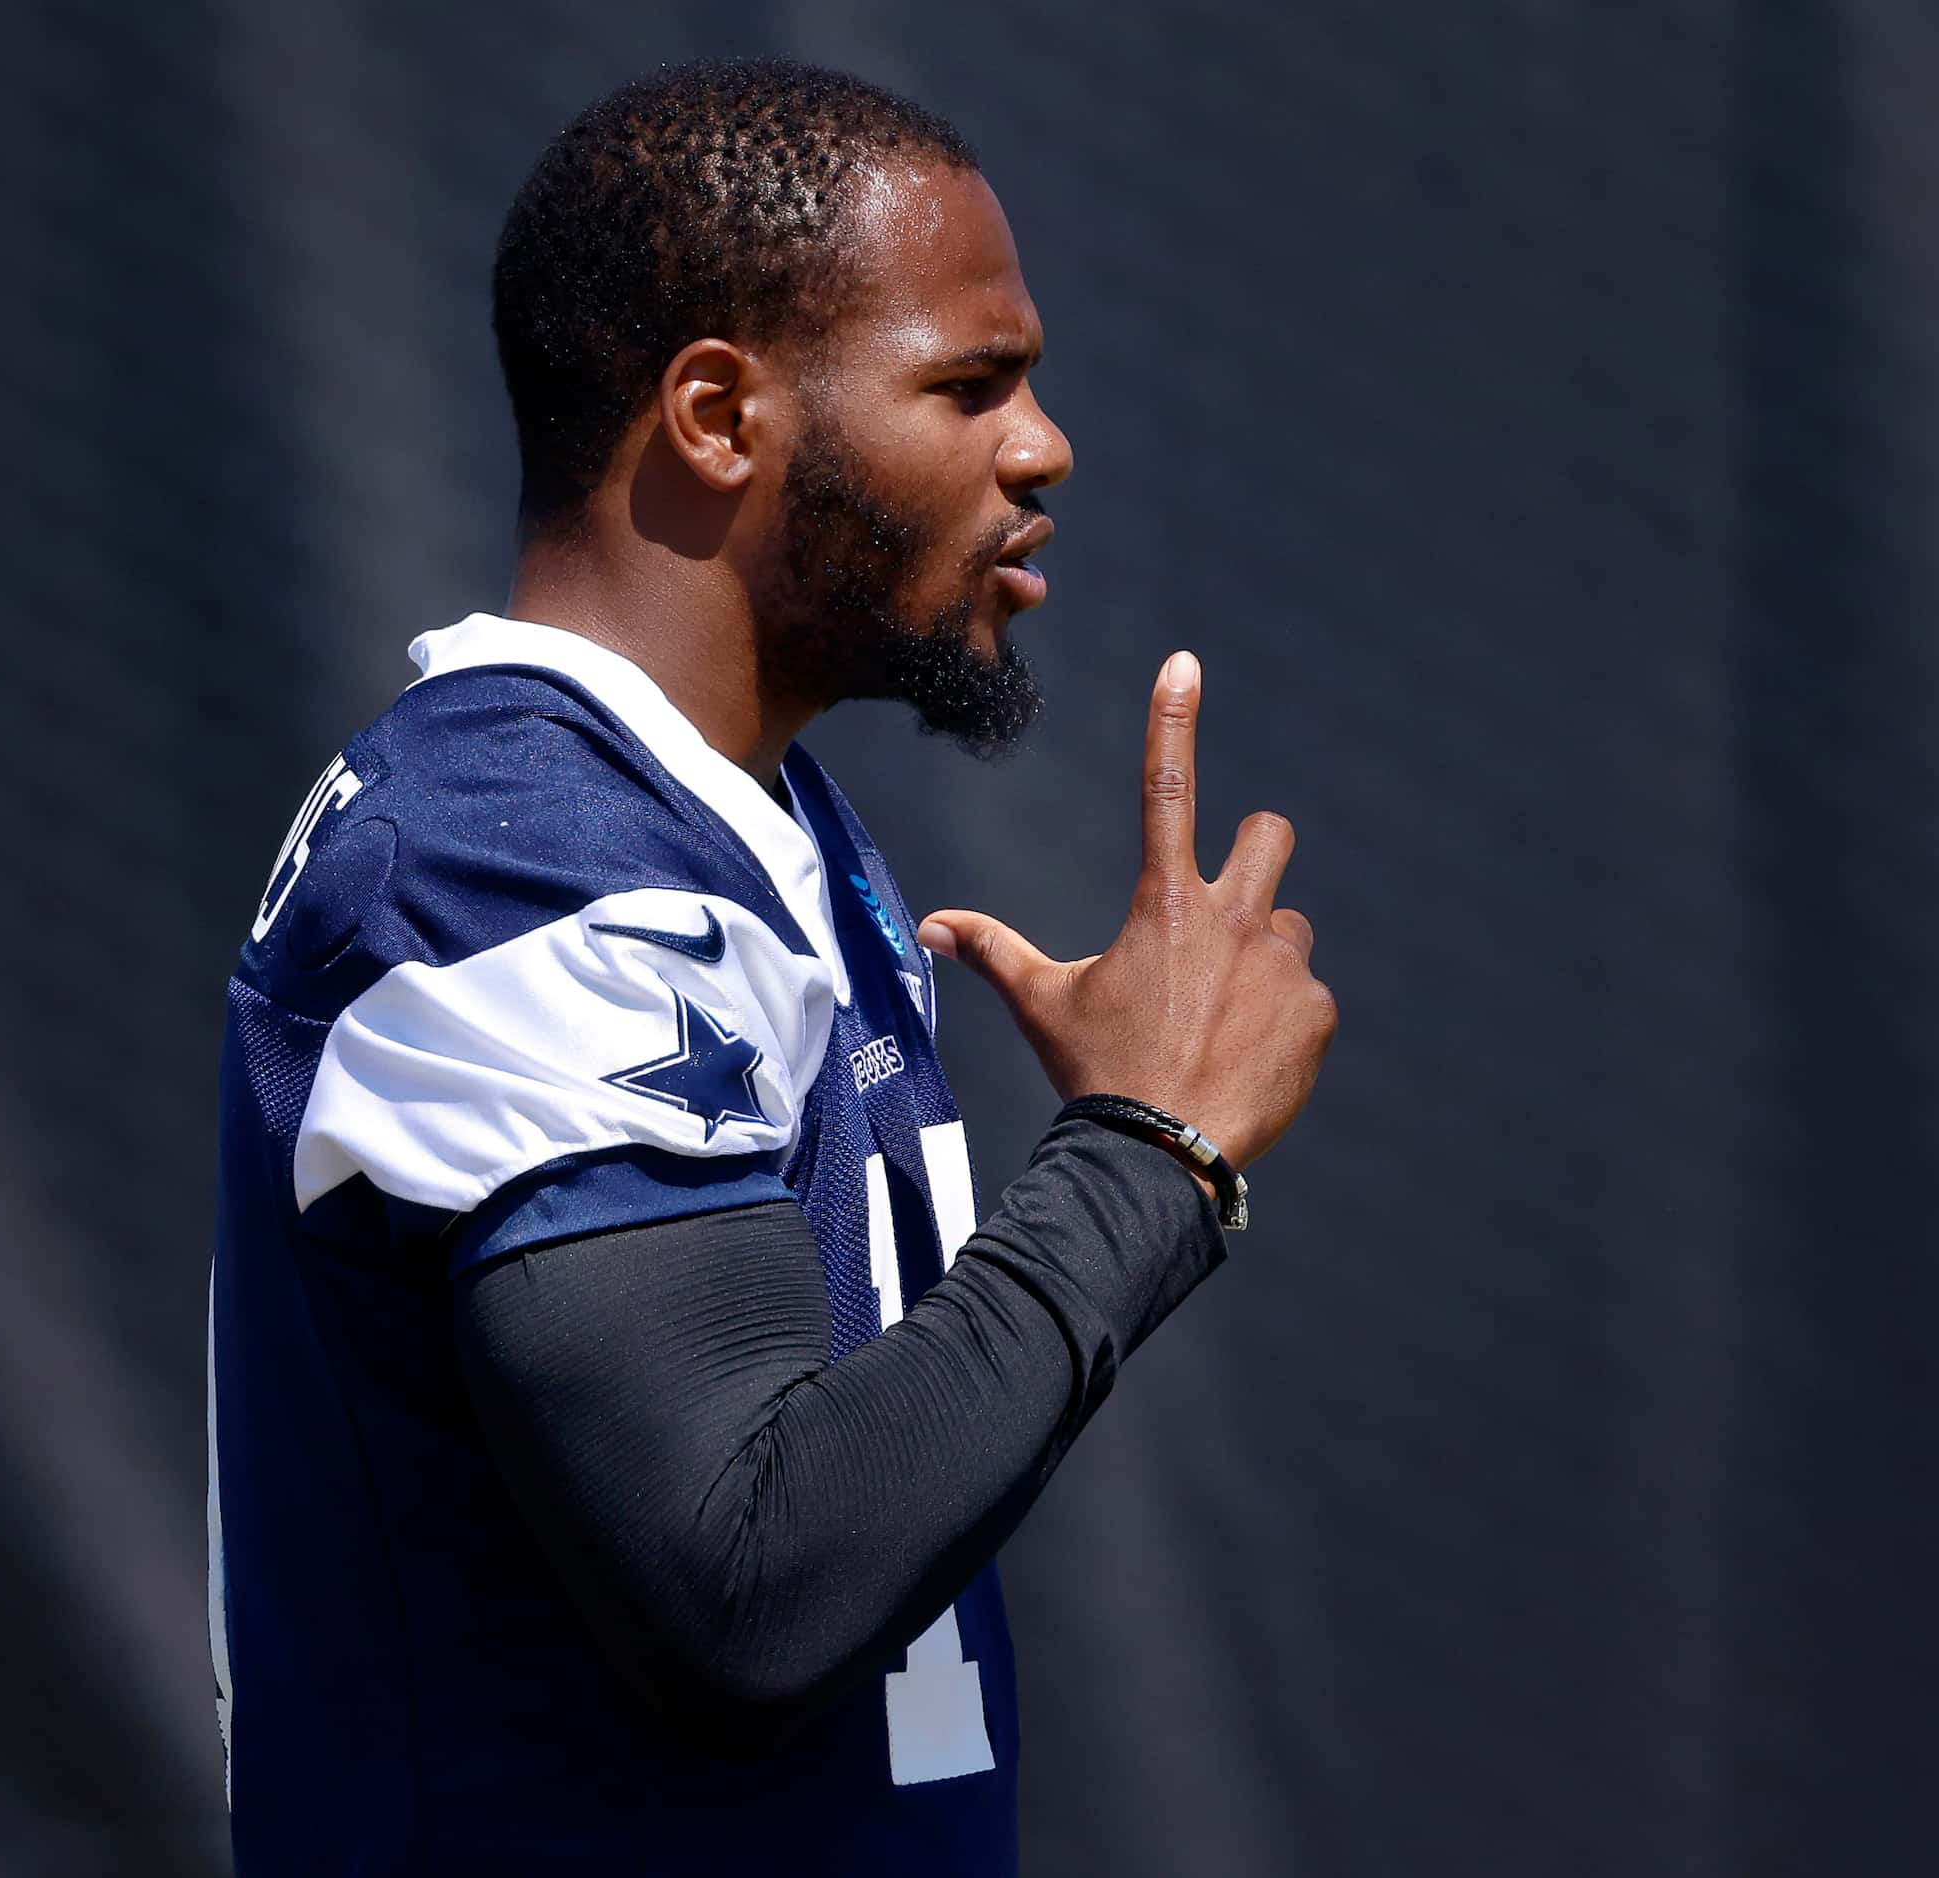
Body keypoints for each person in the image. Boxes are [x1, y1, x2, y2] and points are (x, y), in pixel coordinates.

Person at [207, 59, 1336, 1874]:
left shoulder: (746, 816)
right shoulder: (513, 858)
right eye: (970, 384)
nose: (1042, 446)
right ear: (720, 415)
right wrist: (1149, 1152)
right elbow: (745, 1574)